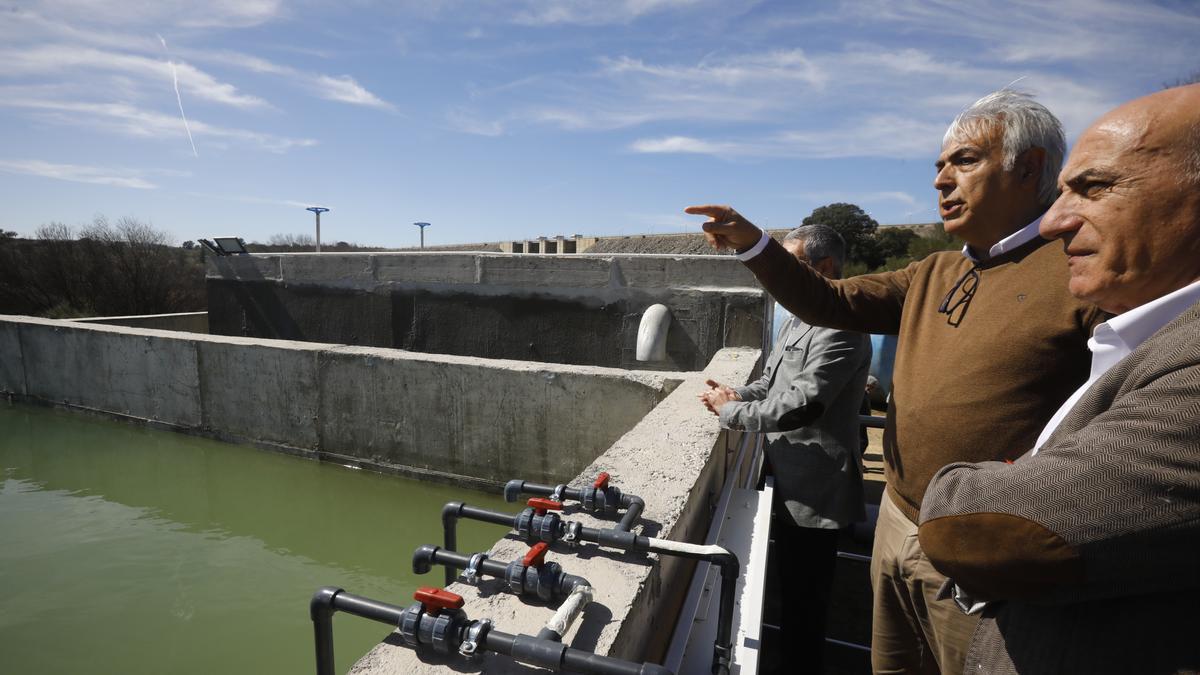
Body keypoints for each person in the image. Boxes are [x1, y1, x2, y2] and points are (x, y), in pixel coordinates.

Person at [686, 89, 1106, 675]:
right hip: (898, 520)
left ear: (1028, 167)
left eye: (964, 161)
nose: (941, 180)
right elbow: (827, 300)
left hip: (987, 556)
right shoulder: (935, 271)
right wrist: (753, 244)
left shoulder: (1081, 274)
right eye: (938, 166)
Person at [918, 83, 1200, 674]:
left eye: (1094, 188)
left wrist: (960, 485)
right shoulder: (1137, 324)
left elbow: (1013, 524)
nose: (1055, 222)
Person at [700, 225, 872, 672]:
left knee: (806, 598)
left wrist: (730, 414)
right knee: (786, 580)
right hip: (785, 473)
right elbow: (773, 383)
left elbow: (802, 405)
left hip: (815, 491)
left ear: (825, 267)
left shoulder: (841, 325)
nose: (778, 275)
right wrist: (736, 393)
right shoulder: (801, 316)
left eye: (790, 262)